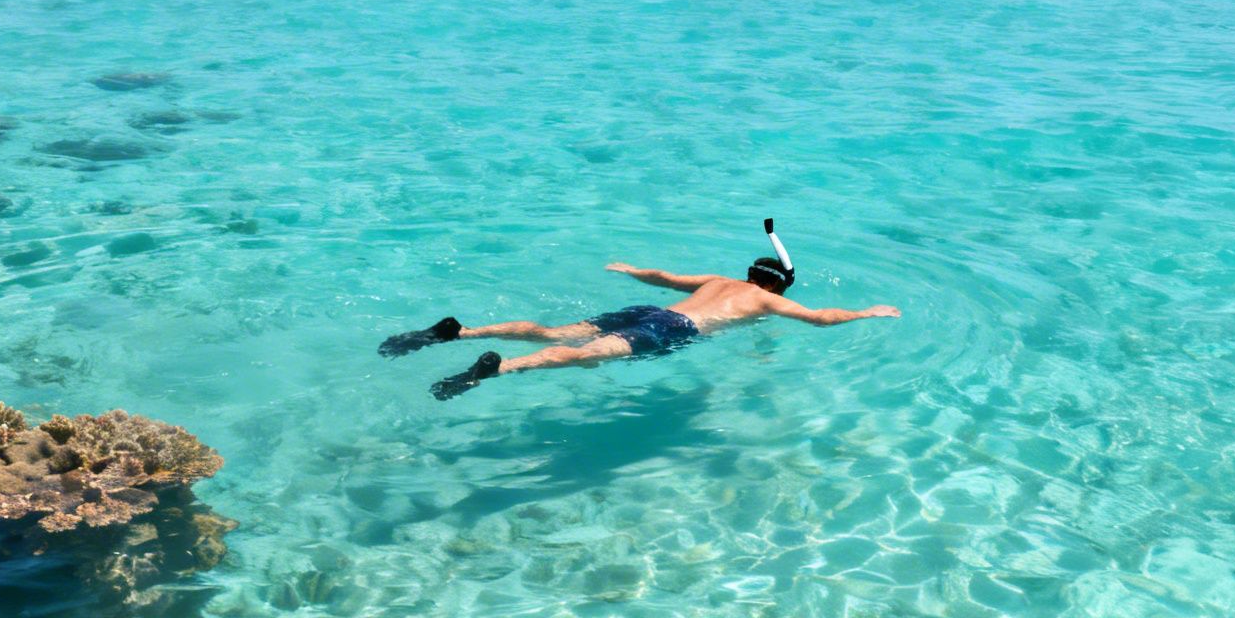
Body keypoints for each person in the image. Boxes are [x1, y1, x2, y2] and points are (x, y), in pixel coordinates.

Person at [380, 222, 900, 400]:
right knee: (587, 355)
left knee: (552, 331)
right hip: (675, 329)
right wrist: (867, 312)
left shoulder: (721, 281)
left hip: (649, 305)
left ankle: (460, 332)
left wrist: (630, 271)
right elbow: (820, 318)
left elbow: (667, 279)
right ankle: (495, 372)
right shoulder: (769, 300)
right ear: (777, 285)